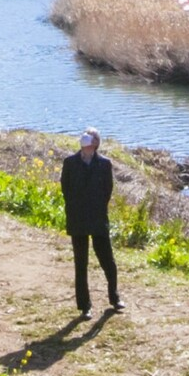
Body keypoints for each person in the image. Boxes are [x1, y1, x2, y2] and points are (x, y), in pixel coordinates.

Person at [60, 128, 120, 315]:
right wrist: (76, 206)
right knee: (81, 263)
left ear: (95, 144)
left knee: (107, 260)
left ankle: (114, 297)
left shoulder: (104, 164)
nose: (85, 142)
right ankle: (85, 306)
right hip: (77, 219)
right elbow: (66, 188)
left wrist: (97, 208)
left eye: (90, 139)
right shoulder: (70, 162)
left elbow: (107, 191)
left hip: (98, 218)